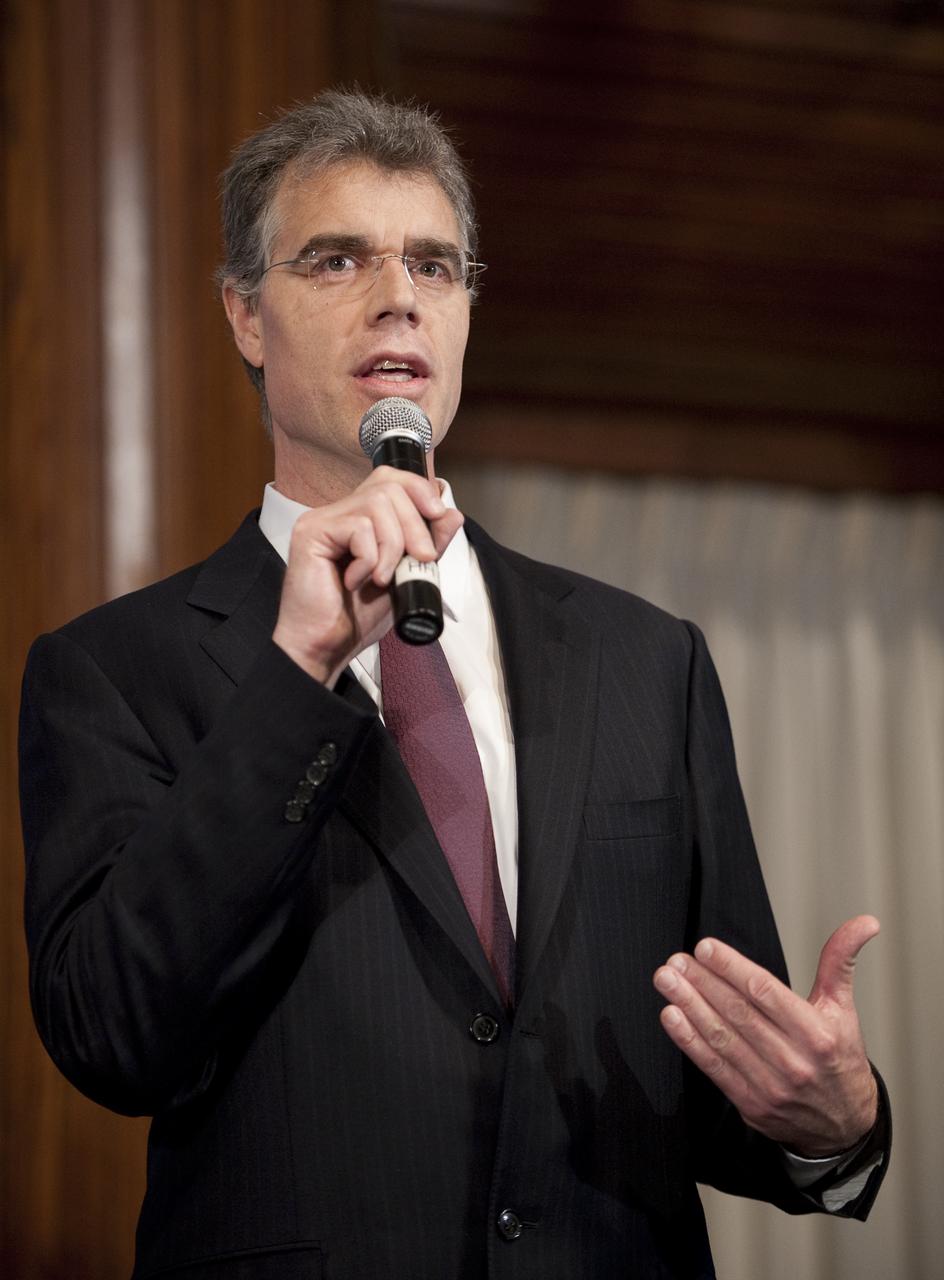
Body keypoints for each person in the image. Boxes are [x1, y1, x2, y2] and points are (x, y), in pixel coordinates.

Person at [20, 90, 889, 1280]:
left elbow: (708, 1071)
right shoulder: (113, 670)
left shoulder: (646, 659)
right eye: (337, 258)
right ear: (245, 314)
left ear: (466, 310)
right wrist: (299, 672)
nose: (398, 294)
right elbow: (113, 1035)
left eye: (434, 262)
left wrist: (831, 1125)